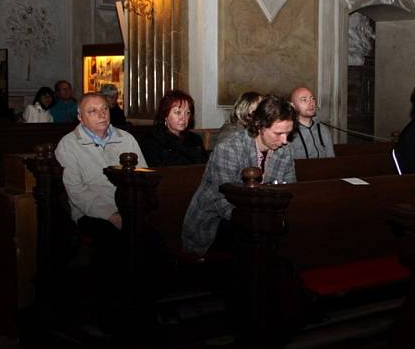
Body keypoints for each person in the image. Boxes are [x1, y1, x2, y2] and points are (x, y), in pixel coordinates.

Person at [183, 95, 296, 256]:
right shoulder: (230, 147)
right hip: (215, 225)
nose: (284, 140)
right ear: (259, 126)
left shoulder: (285, 151)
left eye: (288, 133)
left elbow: (289, 190)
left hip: (262, 223)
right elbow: (222, 199)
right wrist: (256, 220)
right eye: (278, 133)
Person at [54, 93, 147, 235]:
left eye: (105, 109)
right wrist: (111, 215)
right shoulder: (68, 145)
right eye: (92, 111)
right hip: (90, 213)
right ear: (80, 118)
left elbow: (143, 175)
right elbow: (77, 191)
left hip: (129, 208)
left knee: (155, 241)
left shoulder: (126, 139)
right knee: (113, 241)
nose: (102, 115)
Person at [141, 90, 208, 167]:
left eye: (187, 113)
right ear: (165, 115)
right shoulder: (152, 140)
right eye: (178, 112)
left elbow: (205, 167)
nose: (183, 118)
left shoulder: (195, 139)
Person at [288, 86, 335, 159]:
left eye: (312, 98)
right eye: (304, 100)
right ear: (293, 105)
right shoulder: (288, 132)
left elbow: (331, 159)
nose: (311, 103)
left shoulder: (323, 129)